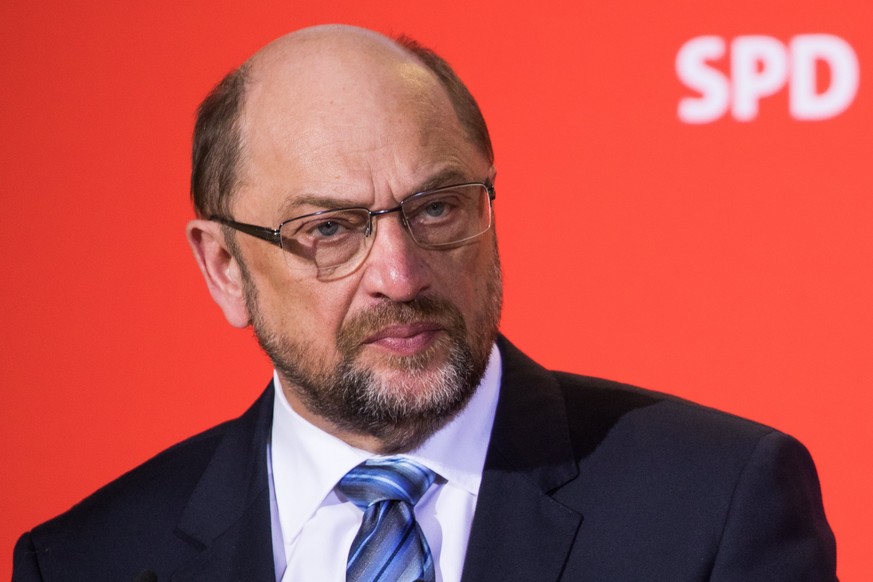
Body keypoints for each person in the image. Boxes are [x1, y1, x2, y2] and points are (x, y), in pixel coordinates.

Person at [12, 24, 836, 581]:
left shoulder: (714, 505)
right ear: (225, 267)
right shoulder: (90, 557)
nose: (400, 276)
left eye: (437, 208)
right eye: (329, 229)